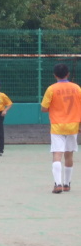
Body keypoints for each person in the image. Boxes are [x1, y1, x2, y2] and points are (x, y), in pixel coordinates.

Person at [41, 63, 81, 194]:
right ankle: (67, 184)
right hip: (73, 125)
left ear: (54, 75)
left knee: (57, 154)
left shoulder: (51, 89)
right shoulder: (77, 88)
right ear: (68, 74)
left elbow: (44, 108)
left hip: (57, 125)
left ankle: (57, 184)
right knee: (69, 154)